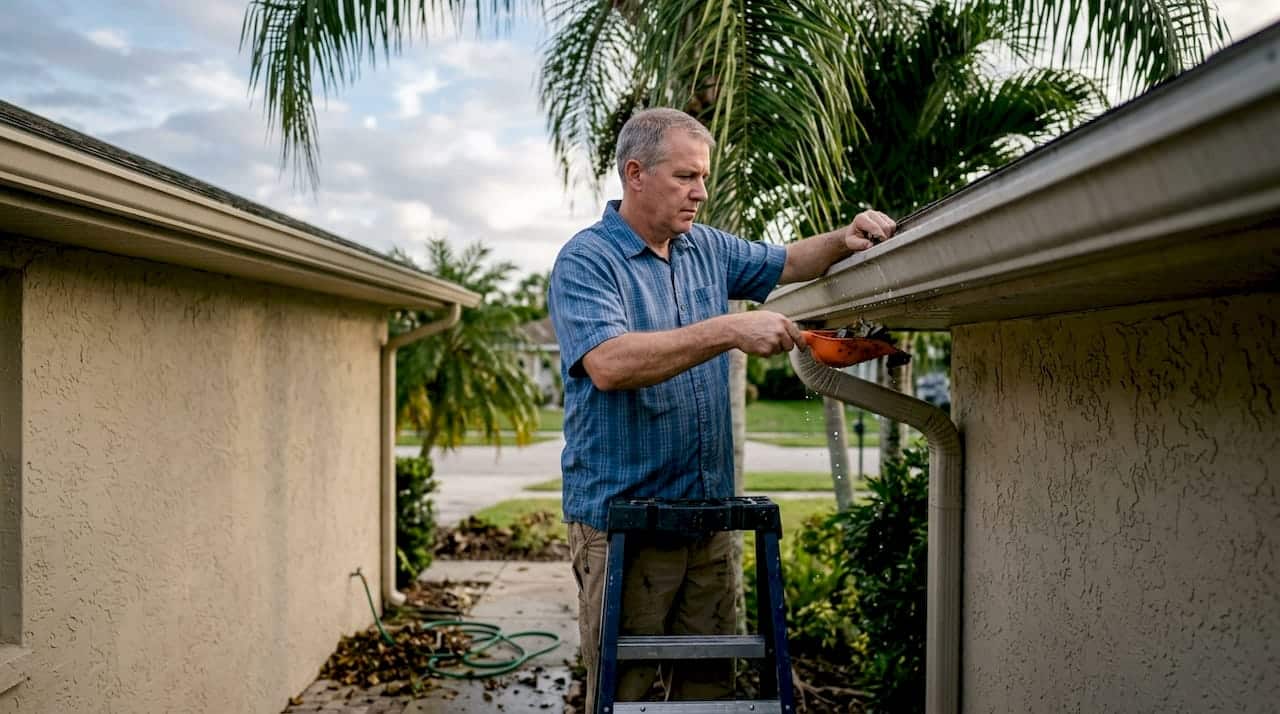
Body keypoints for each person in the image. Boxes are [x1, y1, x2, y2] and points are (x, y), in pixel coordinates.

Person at [547, 107, 895, 710]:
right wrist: (728, 329)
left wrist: (844, 239)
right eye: (685, 176)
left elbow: (787, 262)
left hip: (708, 519)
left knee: (710, 693)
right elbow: (609, 363)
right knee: (624, 694)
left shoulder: (706, 248)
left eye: (703, 177)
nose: (701, 193)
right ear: (635, 173)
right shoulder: (587, 261)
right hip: (625, 527)